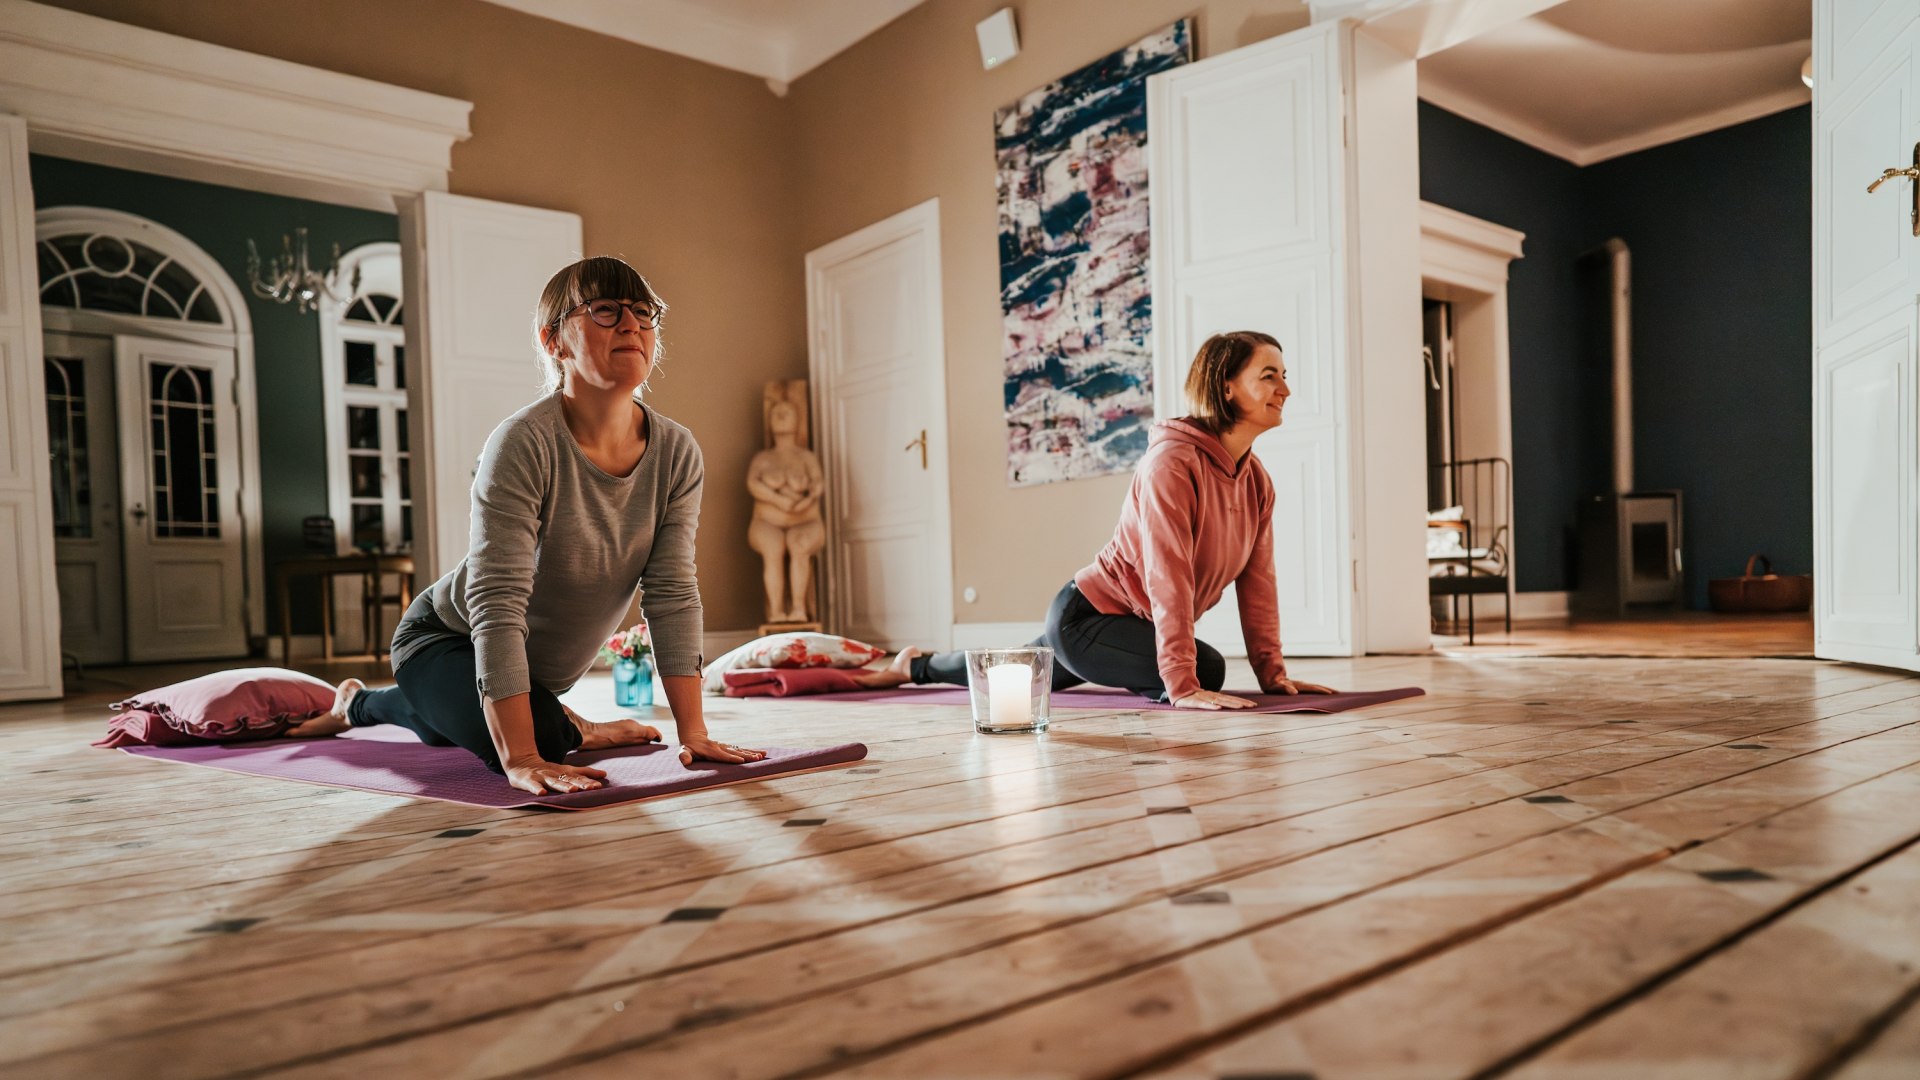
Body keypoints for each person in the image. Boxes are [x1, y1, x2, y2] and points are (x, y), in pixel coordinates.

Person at [287, 257, 766, 794]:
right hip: (445, 638)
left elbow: (672, 592)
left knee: (513, 720)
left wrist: (694, 732)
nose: (631, 323)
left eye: (643, 311)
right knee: (540, 736)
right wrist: (520, 757)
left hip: (534, 675)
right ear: (554, 340)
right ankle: (377, 706)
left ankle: (365, 703)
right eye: (605, 309)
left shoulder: (677, 451)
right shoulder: (522, 442)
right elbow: (496, 599)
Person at [904, 331, 1336, 710]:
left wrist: (1273, 676)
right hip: (1089, 618)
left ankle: (918, 665)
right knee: (1205, 668)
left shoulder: (1256, 481)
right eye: (1269, 375)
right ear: (1225, 387)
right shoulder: (1171, 463)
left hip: (1134, 625)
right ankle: (920, 666)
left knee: (1020, 667)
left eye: (1284, 375)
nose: (1285, 389)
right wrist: (1182, 684)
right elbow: (1169, 573)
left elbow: (1258, 582)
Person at [746, 387, 826, 623]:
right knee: (773, 546)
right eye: (776, 413)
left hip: (806, 522)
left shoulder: (806, 458)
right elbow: (753, 483)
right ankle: (777, 612)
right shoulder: (763, 459)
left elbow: (818, 485)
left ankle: (799, 609)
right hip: (766, 522)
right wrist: (779, 499)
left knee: (798, 544)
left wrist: (805, 500)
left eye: (787, 413)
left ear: (797, 419)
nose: (780, 417)